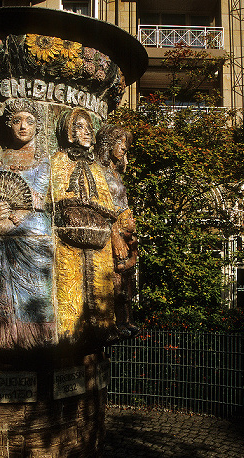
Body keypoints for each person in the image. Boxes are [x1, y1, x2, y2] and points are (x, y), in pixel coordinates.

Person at [0, 99, 56, 349]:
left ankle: (37, 340)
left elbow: (40, 194)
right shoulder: (1, 157)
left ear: (38, 127)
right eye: (17, 121)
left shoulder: (43, 158)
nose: (23, 126)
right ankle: (2, 337)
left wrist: (14, 218)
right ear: (8, 124)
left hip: (33, 228)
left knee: (36, 290)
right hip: (1, 228)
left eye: (30, 121)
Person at [51, 108, 119, 345]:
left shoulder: (95, 167)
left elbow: (107, 203)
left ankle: (102, 325)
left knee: (101, 276)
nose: (87, 132)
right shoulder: (59, 161)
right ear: (69, 132)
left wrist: (93, 205)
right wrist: (74, 204)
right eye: (80, 127)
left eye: (89, 127)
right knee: (70, 277)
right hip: (70, 231)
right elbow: (57, 195)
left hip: (97, 231)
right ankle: (70, 329)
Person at [95, 124, 139, 336]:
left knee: (127, 279)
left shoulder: (116, 172)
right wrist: (115, 233)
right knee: (114, 276)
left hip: (126, 228)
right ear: (107, 143)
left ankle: (125, 319)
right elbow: (104, 205)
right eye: (119, 143)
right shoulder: (100, 171)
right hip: (112, 228)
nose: (123, 148)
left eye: (125, 144)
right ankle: (111, 321)